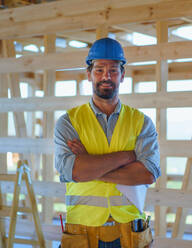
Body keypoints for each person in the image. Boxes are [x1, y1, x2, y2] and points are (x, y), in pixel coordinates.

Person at [54, 37, 160, 248]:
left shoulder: (141, 122)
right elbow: (74, 172)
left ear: (122, 75)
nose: (106, 76)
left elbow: (147, 174)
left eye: (113, 70)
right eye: (99, 69)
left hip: (130, 231)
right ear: (89, 74)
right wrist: (126, 156)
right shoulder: (69, 122)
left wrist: (89, 166)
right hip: (83, 231)